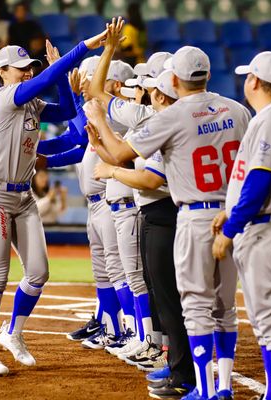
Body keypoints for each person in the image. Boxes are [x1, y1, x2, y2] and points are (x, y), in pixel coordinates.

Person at [84, 45, 252, 400]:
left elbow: (120, 156)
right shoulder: (237, 110)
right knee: (225, 308)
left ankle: (200, 387)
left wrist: (98, 123)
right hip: (232, 215)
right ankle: (222, 386)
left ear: (174, 80)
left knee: (193, 305)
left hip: (192, 215)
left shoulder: (171, 117)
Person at [0, 25, 110, 376]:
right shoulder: (5, 97)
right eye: (21, 67)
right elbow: (48, 78)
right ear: (2, 73)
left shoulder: (29, 101)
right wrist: (84, 48)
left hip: (23, 196)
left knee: (38, 272)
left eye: (30, 66)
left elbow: (64, 112)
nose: (28, 71)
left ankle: (12, 333)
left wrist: (61, 72)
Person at [90, 58, 197, 394]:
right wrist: (102, 147)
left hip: (168, 213)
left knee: (176, 298)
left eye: (149, 88)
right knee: (170, 296)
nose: (145, 94)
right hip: (174, 212)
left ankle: (186, 373)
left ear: (164, 93)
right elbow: (122, 155)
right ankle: (178, 365)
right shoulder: (188, 117)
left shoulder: (166, 122)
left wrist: (110, 168)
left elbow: (144, 175)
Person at [212, 52, 271, 400]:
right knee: (267, 320)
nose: (244, 82)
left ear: (254, 81)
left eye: (247, 77)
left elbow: (261, 178)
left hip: (267, 229)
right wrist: (230, 209)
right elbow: (252, 177)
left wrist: (231, 227)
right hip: (264, 226)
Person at [37, 61, 127, 349]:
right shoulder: (97, 111)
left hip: (113, 202)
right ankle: (109, 325)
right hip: (97, 203)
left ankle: (137, 333)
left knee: (122, 272)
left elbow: (76, 130)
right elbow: (77, 148)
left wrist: (70, 90)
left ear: (113, 83)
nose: (86, 83)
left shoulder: (115, 113)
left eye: (89, 79)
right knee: (104, 270)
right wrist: (44, 158)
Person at [87, 21, 155, 364]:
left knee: (138, 277)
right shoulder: (149, 112)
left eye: (140, 84)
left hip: (134, 203)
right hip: (133, 204)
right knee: (135, 276)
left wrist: (109, 48)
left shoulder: (145, 115)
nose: (133, 89)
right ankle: (146, 337)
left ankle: (148, 340)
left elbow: (97, 94)